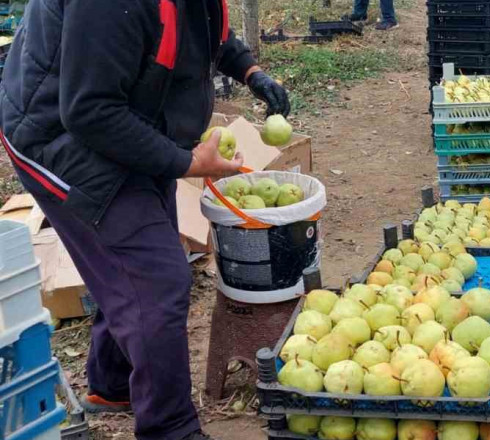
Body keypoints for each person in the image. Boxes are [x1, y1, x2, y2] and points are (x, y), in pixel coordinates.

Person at [0, 1, 290, 439]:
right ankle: (170, 429)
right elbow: (87, 110)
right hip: (55, 133)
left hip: (128, 114)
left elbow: (202, 24)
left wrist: (249, 70)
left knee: (135, 258)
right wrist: (188, 162)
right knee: (156, 277)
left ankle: (113, 383)